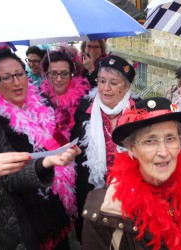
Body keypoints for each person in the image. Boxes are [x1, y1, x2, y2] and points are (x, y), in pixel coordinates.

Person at [0, 56, 80, 249]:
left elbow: (52, 139)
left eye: (19, 74)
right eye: (6, 77)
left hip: (53, 209)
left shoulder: (41, 102)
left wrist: (56, 153)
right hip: (29, 217)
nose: (16, 82)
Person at [81, 97, 181, 250]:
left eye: (170, 138)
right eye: (150, 141)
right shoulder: (104, 214)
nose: (163, 152)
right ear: (132, 149)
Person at [71, 55, 139, 241]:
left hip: (130, 190)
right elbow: (76, 145)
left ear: (127, 87)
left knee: (126, 237)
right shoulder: (85, 109)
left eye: (114, 83)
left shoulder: (140, 111)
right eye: (102, 81)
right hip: (92, 188)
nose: (105, 88)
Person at [41, 50, 91, 142]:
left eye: (64, 74)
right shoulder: (38, 101)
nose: (59, 79)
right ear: (46, 75)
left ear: (71, 75)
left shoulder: (84, 100)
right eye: (53, 74)